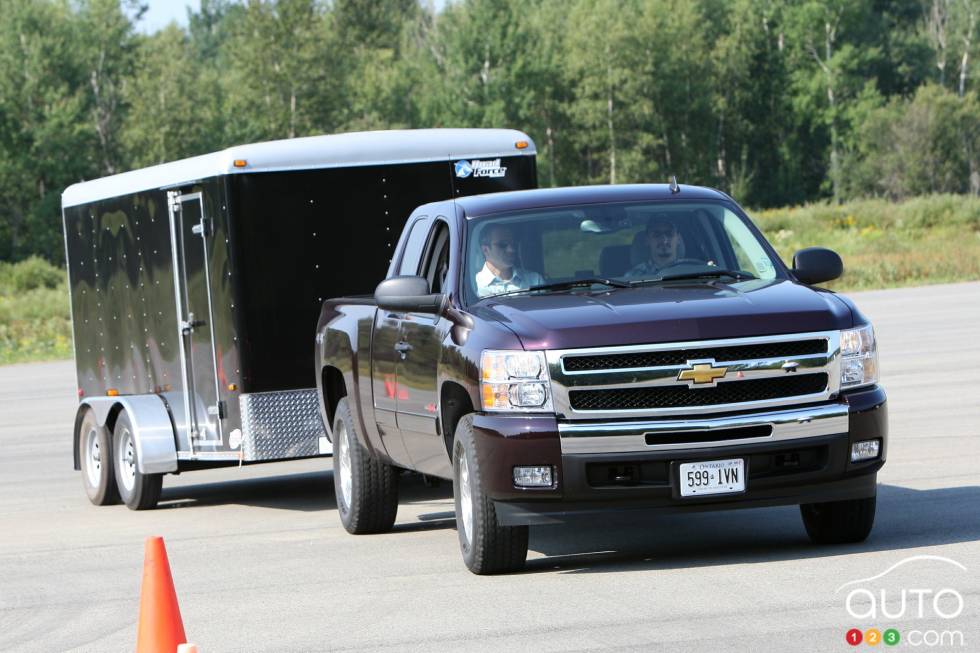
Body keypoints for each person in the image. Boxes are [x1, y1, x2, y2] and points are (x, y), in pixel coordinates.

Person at [475, 224, 544, 297]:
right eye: (502, 245)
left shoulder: (535, 281)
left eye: (513, 244)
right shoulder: (475, 285)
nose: (511, 250)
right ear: (485, 250)